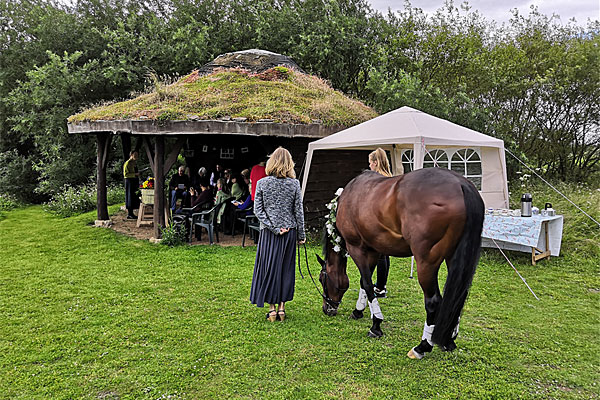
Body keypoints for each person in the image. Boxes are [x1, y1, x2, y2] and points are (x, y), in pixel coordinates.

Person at [250, 147, 306, 323]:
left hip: (269, 234)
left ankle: (272, 310)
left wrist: (274, 228)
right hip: (290, 232)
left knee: (269, 269)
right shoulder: (294, 184)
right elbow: (299, 212)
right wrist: (301, 235)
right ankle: (282, 308)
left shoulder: (262, 183)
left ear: (271, 162)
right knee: (285, 270)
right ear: (289, 163)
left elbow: (258, 211)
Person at [368, 148, 393, 298]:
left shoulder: (378, 179)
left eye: (370, 163)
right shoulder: (389, 177)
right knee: (385, 254)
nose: (370, 166)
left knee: (380, 254)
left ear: (376, 163)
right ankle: (381, 284)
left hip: (380, 219)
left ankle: (380, 287)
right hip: (389, 219)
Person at [123, 150, 140, 219]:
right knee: (130, 196)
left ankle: (132, 213)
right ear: (131, 155)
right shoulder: (127, 163)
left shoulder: (134, 163)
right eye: (135, 155)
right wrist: (135, 174)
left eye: (137, 155)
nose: (136, 156)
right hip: (129, 181)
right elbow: (125, 174)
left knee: (134, 196)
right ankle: (130, 213)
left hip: (134, 181)